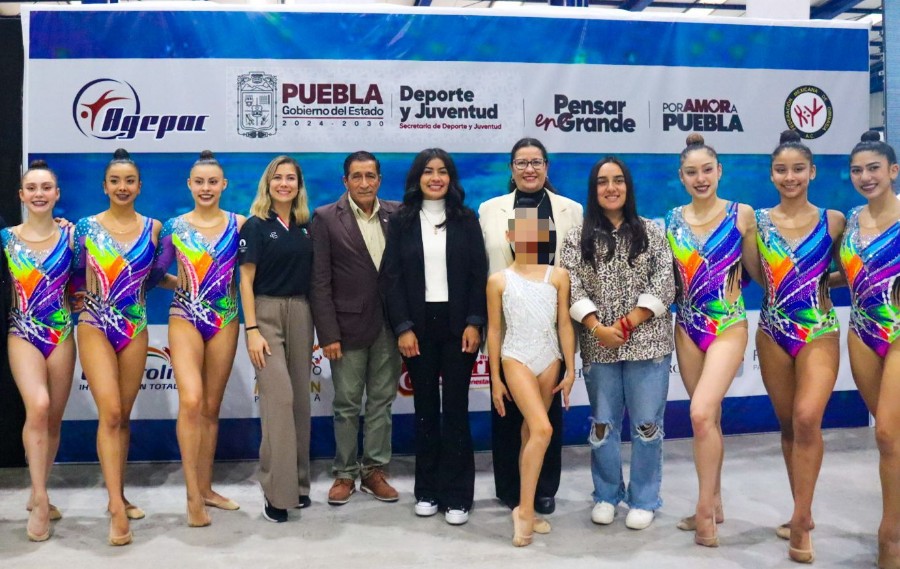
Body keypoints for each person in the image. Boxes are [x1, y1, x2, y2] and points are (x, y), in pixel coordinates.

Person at [560, 156, 675, 531]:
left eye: (618, 180)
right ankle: (606, 495)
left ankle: (644, 499)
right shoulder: (577, 236)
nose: (611, 188)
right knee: (603, 426)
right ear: (593, 190)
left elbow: (664, 283)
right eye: (603, 182)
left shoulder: (652, 231)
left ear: (628, 186)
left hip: (648, 344)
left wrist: (627, 323)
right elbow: (570, 284)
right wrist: (597, 327)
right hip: (599, 345)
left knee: (646, 425)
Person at [382, 149, 488, 525]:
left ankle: (459, 496)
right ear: (418, 178)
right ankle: (427, 490)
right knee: (425, 410)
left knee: (456, 411)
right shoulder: (401, 221)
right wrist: (403, 327)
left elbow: (479, 274)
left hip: (460, 326)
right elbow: (390, 278)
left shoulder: (466, 218)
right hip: (418, 326)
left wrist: (476, 321)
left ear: (451, 178)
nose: (436, 177)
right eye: (428, 171)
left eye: (442, 171)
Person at [665, 133, 761, 547]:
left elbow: (760, 271)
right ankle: (715, 500)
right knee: (711, 419)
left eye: (707, 170)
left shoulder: (742, 215)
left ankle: (704, 511)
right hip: (687, 327)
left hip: (728, 325)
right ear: (681, 177)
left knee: (701, 414)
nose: (701, 178)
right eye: (692, 172)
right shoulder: (669, 220)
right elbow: (666, 279)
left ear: (720, 171)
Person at [478, 137, 582, 514]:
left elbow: (578, 271)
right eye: (521, 162)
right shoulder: (489, 211)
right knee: (507, 410)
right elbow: (480, 267)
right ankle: (509, 488)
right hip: (506, 322)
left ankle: (543, 489)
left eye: (536, 162)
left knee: (546, 414)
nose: (529, 169)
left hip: (550, 327)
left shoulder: (571, 211)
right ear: (511, 168)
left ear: (547, 166)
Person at [756, 131, 845, 564]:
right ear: (771, 175)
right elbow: (758, 275)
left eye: (797, 169)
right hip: (773, 330)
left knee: (808, 418)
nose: (789, 177)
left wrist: (820, 284)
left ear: (812, 171)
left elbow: (853, 266)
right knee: (789, 425)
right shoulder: (756, 222)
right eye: (781, 169)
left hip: (819, 329)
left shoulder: (834, 220)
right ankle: (798, 509)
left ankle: (803, 520)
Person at [72, 148, 163, 546]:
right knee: (109, 413)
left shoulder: (155, 228)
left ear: (139, 186)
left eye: (129, 181)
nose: (122, 187)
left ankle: (119, 493)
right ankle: (114, 510)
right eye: (115, 181)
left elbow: (158, 275)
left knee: (122, 416)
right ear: (104, 185)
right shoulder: (83, 228)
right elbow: (66, 270)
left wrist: (193, 288)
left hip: (135, 326)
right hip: (93, 324)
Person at [152, 150, 245, 527]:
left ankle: (206, 488)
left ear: (224, 185)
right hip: (185, 316)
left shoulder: (240, 224)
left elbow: (254, 271)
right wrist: (184, 285)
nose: (206, 188)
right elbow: (153, 272)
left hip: (225, 317)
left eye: (213, 182)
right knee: (191, 400)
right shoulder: (174, 227)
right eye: (199, 182)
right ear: (189, 185)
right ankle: (192, 496)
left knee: (210, 406)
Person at [310, 151, 401, 506]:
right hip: (345, 329)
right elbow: (319, 282)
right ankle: (345, 473)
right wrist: (328, 334)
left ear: (379, 179)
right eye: (357, 176)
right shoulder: (325, 218)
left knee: (382, 401)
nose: (364, 183)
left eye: (370, 176)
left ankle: (374, 472)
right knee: (347, 404)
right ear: (345, 181)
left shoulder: (398, 214)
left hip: (390, 327)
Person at [487, 198, 576, 547]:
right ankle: (523, 510)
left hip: (549, 357)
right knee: (543, 428)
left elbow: (564, 324)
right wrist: (495, 377)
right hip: (516, 358)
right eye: (521, 229)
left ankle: (529, 508)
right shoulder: (498, 280)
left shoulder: (559, 276)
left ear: (546, 233)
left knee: (529, 432)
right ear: (510, 234)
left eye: (536, 229)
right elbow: (495, 331)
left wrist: (569, 367)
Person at [238, 155, 314, 523]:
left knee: (300, 400)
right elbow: (245, 281)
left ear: (299, 186)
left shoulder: (304, 226)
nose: (284, 184)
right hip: (266, 315)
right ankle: (275, 491)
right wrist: (251, 329)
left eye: (291, 178)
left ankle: (298, 485)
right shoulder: (256, 226)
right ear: (267, 184)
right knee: (279, 400)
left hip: (301, 312)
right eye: (278, 178)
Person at [2, 160, 76, 542]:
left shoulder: (72, 237)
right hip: (23, 331)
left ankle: (36, 488)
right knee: (40, 406)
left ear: (56, 194)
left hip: (61, 332)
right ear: (21, 195)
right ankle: (43, 499)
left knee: (54, 419)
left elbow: (92, 278)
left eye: (46, 187)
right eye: (32, 188)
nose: (39, 194)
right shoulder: (6, 239)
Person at [839, 131, 900, 569]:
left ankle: (890, 535)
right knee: (889, 437)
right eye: (858, 170)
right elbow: (852, 272)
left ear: (893, 171)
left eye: (873, 168)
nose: (865, 176)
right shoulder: (851, 218)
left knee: (885, 433)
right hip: (861, 333)